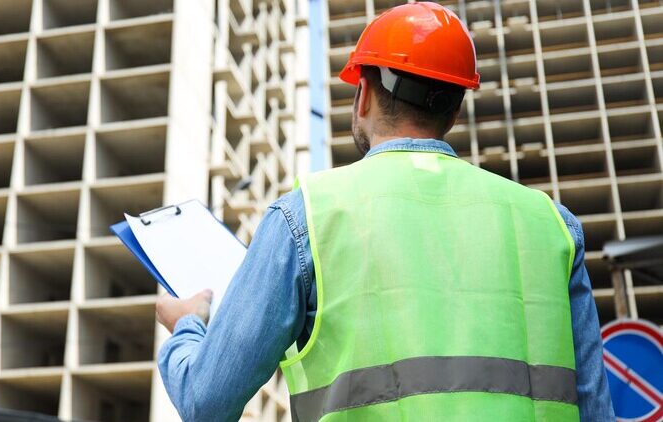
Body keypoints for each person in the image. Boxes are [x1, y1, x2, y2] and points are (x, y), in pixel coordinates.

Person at [155, 3, 614, 421]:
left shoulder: (307, 217)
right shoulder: (551, 224)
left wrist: (188, 325)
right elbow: (594, 410)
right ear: (453, 112)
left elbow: (206, 403)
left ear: (364, 95)